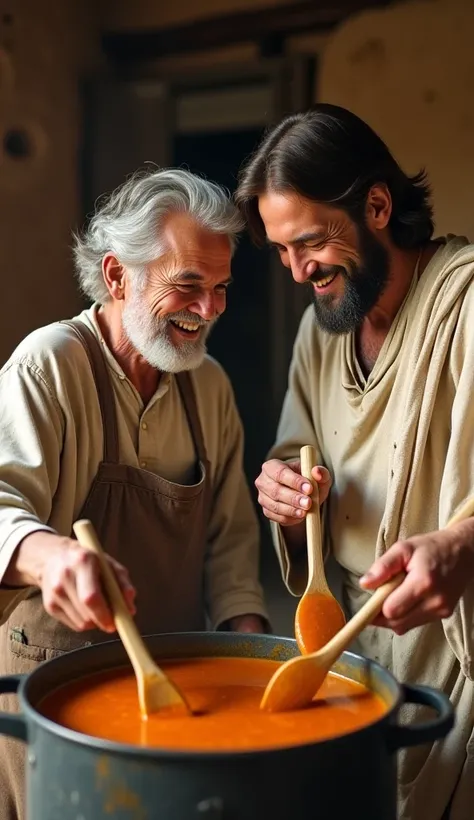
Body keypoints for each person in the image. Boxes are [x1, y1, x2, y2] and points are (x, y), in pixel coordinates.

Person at [0, 167, 268, 820]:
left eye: (221, 289)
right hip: (51, 701)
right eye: (187, 286)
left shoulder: (209, 388)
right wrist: (51, 557)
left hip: (178, 692)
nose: (209, 311)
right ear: (118, 276)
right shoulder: (50, 364)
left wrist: (254, 652)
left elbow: (230, 543)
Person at [235, 103, 474, 820]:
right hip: (355, 664)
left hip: (455, 675)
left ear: (377, 205)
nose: (298, 271)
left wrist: (462, 543)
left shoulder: (464, 305)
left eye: (309, 243)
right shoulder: (321, 328)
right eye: (280, 251)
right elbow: (294, 445)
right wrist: (279, 488)